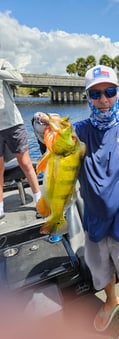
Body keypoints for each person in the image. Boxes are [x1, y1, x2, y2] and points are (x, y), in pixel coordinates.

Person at [36, 65, 119, 339]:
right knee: (102, 272)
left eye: (110, 92)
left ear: (118, 93)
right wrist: (43, 128)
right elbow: (53, 149)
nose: (104, 100)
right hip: (94, 224)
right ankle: (110, 300)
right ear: (87, 98)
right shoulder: (78, 132)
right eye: (96, 95)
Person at [0, 58, 41, 219]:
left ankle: (39, 201)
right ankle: (1, 207)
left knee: (25, 163)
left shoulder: (2, 63)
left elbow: (19, 79)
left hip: (13, 124)